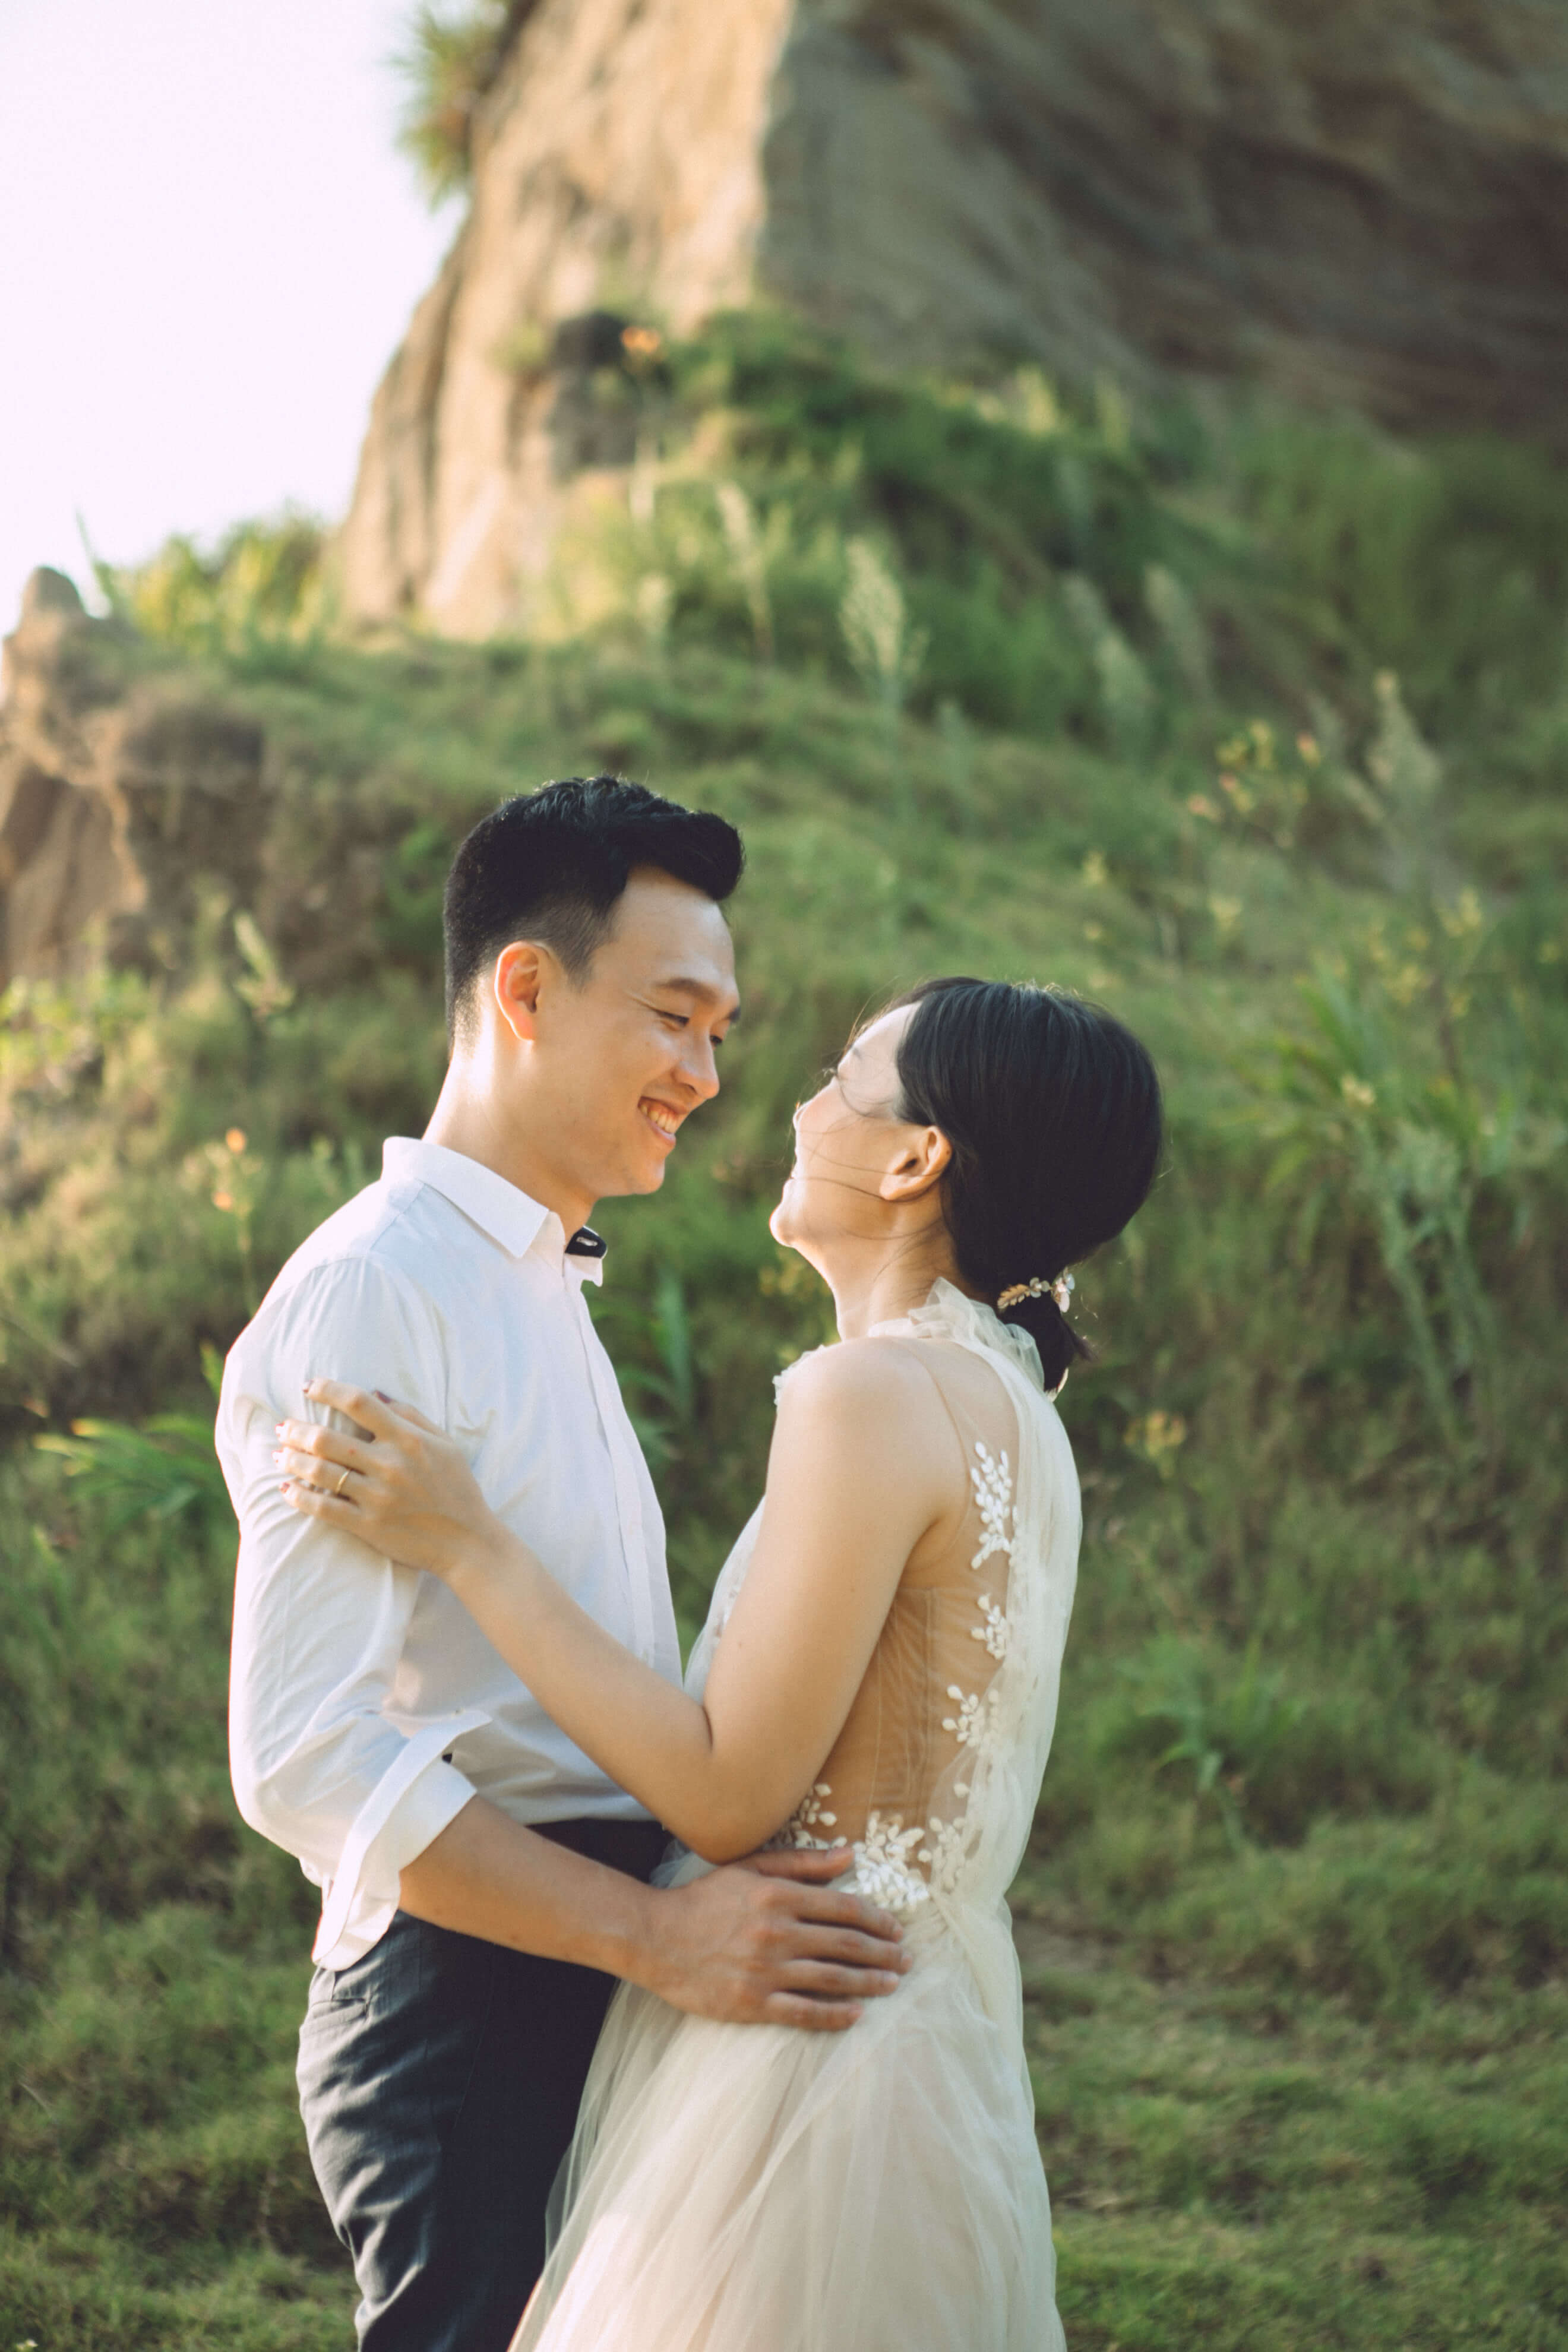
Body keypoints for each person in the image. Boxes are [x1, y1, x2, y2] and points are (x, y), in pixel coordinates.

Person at [274, 972, 1164, 2351]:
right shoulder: (1019, 1412)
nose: (798, 1107)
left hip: (798, 2059)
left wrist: (469, 1542)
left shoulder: (867, 1394)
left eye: (840, 1079)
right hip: (928, 2043)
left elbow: (725, 1790)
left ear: (916, 1159)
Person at [217, 777, 911, 2352]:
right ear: (525, 990)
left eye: (720, 1032)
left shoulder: (532, 1278)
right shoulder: (378, 1290)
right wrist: (653, 1937)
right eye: (673, 1017)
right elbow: (306, 1755)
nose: (706, 1075)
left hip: (587, 1955)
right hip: (469, 2003)